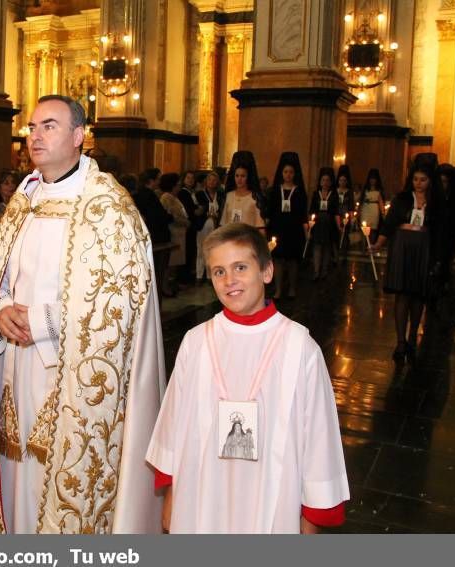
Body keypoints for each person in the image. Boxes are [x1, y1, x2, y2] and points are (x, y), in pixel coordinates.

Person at [0, 95, 166, 534]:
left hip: (72, 370)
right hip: (15, 365)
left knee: (57, 471)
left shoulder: (108, 207)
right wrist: (1, 308)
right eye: (31, 127)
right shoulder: (24, 198)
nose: (35, 136)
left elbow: (116, 296)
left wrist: (39, 322)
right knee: (13, 466)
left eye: (49, 126)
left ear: (79, 137)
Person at [146, 223, 349, 533]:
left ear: (266, 271)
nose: (230, 281)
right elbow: (173, 426)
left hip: (273, 499)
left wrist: (311, 523)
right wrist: (171, 496)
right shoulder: (196, 342)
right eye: (218, 272)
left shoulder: (300, 348)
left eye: (240, 267)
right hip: (200, 497)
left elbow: (319, 441)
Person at [371, 161, 444, 360]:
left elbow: (439, 233)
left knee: (418, 295)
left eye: (423, 180)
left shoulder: (436, 202)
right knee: (402, 295)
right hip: (402, 249)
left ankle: (413, 336)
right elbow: (389, 224)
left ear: (430, 181)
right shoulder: (402, 199)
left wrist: (437, 258)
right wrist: (378, 244)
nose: (418, 183)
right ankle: (401, 341)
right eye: (415, 179)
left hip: (424, 250)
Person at [266, 152, 309, 299]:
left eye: (291, 172)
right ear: (281, 173)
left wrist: (306, 230)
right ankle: (278, 289)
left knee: (292, 261)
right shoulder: (275, 191)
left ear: (294, 174)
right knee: (277, 259)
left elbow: (303, 213)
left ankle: (292, 288)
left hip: (294, 230)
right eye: (285, 172)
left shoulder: (299, 191)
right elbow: (270, 210)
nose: (288, 175)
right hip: (278, 228)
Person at [159, 172, 190, 295]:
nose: (179, 187)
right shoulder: (166, 197)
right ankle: (165, 286)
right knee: (170, 263)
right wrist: (184, 222)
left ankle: (171, 284)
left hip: (180, 232)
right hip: (173, 232)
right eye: (177, 184)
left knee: (175, 263)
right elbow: (171, 215)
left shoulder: (174, 197)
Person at [309, 167, 341, 280]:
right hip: (318, 224)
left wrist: (339, 226)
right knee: (317, 247)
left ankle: (324, 271)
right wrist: (310, 225)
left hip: (329, 224)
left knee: (327, 248)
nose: (325, 182)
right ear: (320, 182)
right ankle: (316, 271)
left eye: (327, 180)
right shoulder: (315, 194)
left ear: (331, 182)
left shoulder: (334, 195)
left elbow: (336, 211)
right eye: (323, 180)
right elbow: (312, 210)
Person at [220, 157, 265, 233]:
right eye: (237, 176)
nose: (239, 179)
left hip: (248, 239)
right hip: (230, 238)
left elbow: (260, 226)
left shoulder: (254, 197)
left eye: (243, 176)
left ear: (248, 178)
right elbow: (223, 223)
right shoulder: (229, 196)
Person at [178, 170, 206, 285]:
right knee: (187, 251)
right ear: (184, 179)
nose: (190, 180)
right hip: (187, 225)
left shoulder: (193, 192)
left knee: (191, 250)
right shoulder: (183, 193)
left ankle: (188, 274)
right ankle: (184, 277)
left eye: (192, 178)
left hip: (194, 225)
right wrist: (196, 210)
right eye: (188, 178)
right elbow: (189, 209)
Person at [195, 172, 225, 281]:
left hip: (216, 225)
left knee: (212, 250)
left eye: (214, 180)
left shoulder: (221, 195)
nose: (212, 182)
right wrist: (206, 214)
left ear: (217, 182)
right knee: (201, 249)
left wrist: (217, 216)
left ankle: (209, 275)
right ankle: (199, 275)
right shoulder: (199, 194)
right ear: (206, 182)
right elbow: (197, 210)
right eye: (210, 180)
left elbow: (222, 210)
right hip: (203, 225)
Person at [360, 169, 386, 244]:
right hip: (365, 210)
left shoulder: (379, 191)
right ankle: (363, 246)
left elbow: (381, 203)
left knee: (373, 229)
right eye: (371, 179)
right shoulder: (365, 190)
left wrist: (383, 213)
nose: (372, 181)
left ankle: (371, 246)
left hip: (374, 210)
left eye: (374, 179)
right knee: (364, 228)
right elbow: (361, 202)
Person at [335, 165, 354, 260]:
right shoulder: (335, 191)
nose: (342, 182)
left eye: (344, 181)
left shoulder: (349, 192)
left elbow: (351, 206)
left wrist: (352, 219)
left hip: (345, 216)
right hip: (336, 214)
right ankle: (336, 255)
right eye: (340, 180)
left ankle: (343, 255)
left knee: (344, 235)